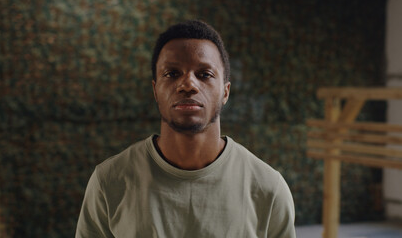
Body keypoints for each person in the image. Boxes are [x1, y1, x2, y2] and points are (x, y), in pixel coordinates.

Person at [76, 20, 296, 238]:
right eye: (172, 73)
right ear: (155, 90)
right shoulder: (109, 181)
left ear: (225, 92)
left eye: (204, 74)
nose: (188, 84)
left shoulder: (268, 188)